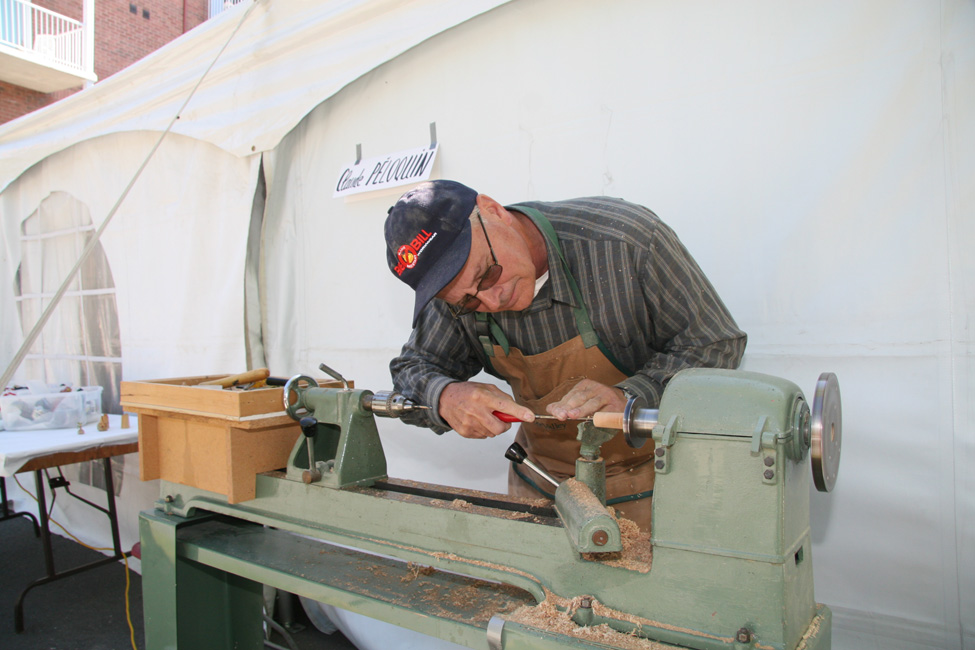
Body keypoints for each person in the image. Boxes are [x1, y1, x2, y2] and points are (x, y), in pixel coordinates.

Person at [383, 180, 746, 531]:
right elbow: (412, 370)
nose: (491, 301)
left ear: (493, 211)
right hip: (541, 487)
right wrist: (446, 397)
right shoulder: (460, 289)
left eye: (488, 273)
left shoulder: (625, 241)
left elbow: (714, 343)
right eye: (468, 301)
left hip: (657, 488)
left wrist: (634, 395)